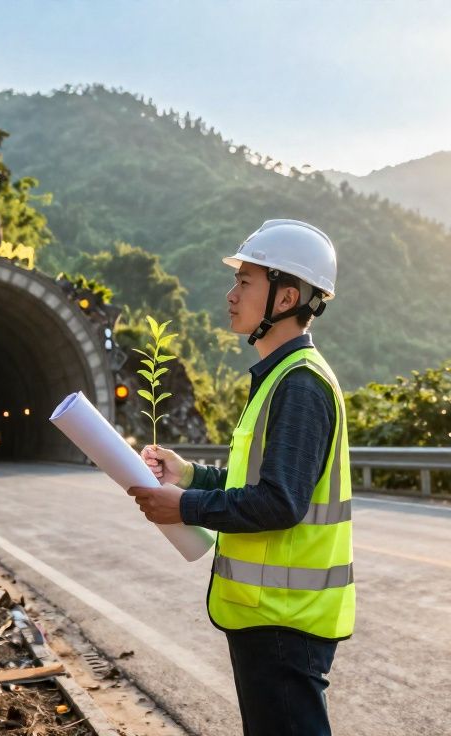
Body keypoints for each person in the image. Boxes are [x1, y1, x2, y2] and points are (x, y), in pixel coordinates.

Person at [127, 219, 354, 736]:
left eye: (245, 281)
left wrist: (181, 508)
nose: (231, 295)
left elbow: (279, 502)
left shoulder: (299, 386)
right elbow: (255, 480)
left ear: (286, 295)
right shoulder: (280, 377)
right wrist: (187, 475)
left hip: (284, 621)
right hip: (273, 618)